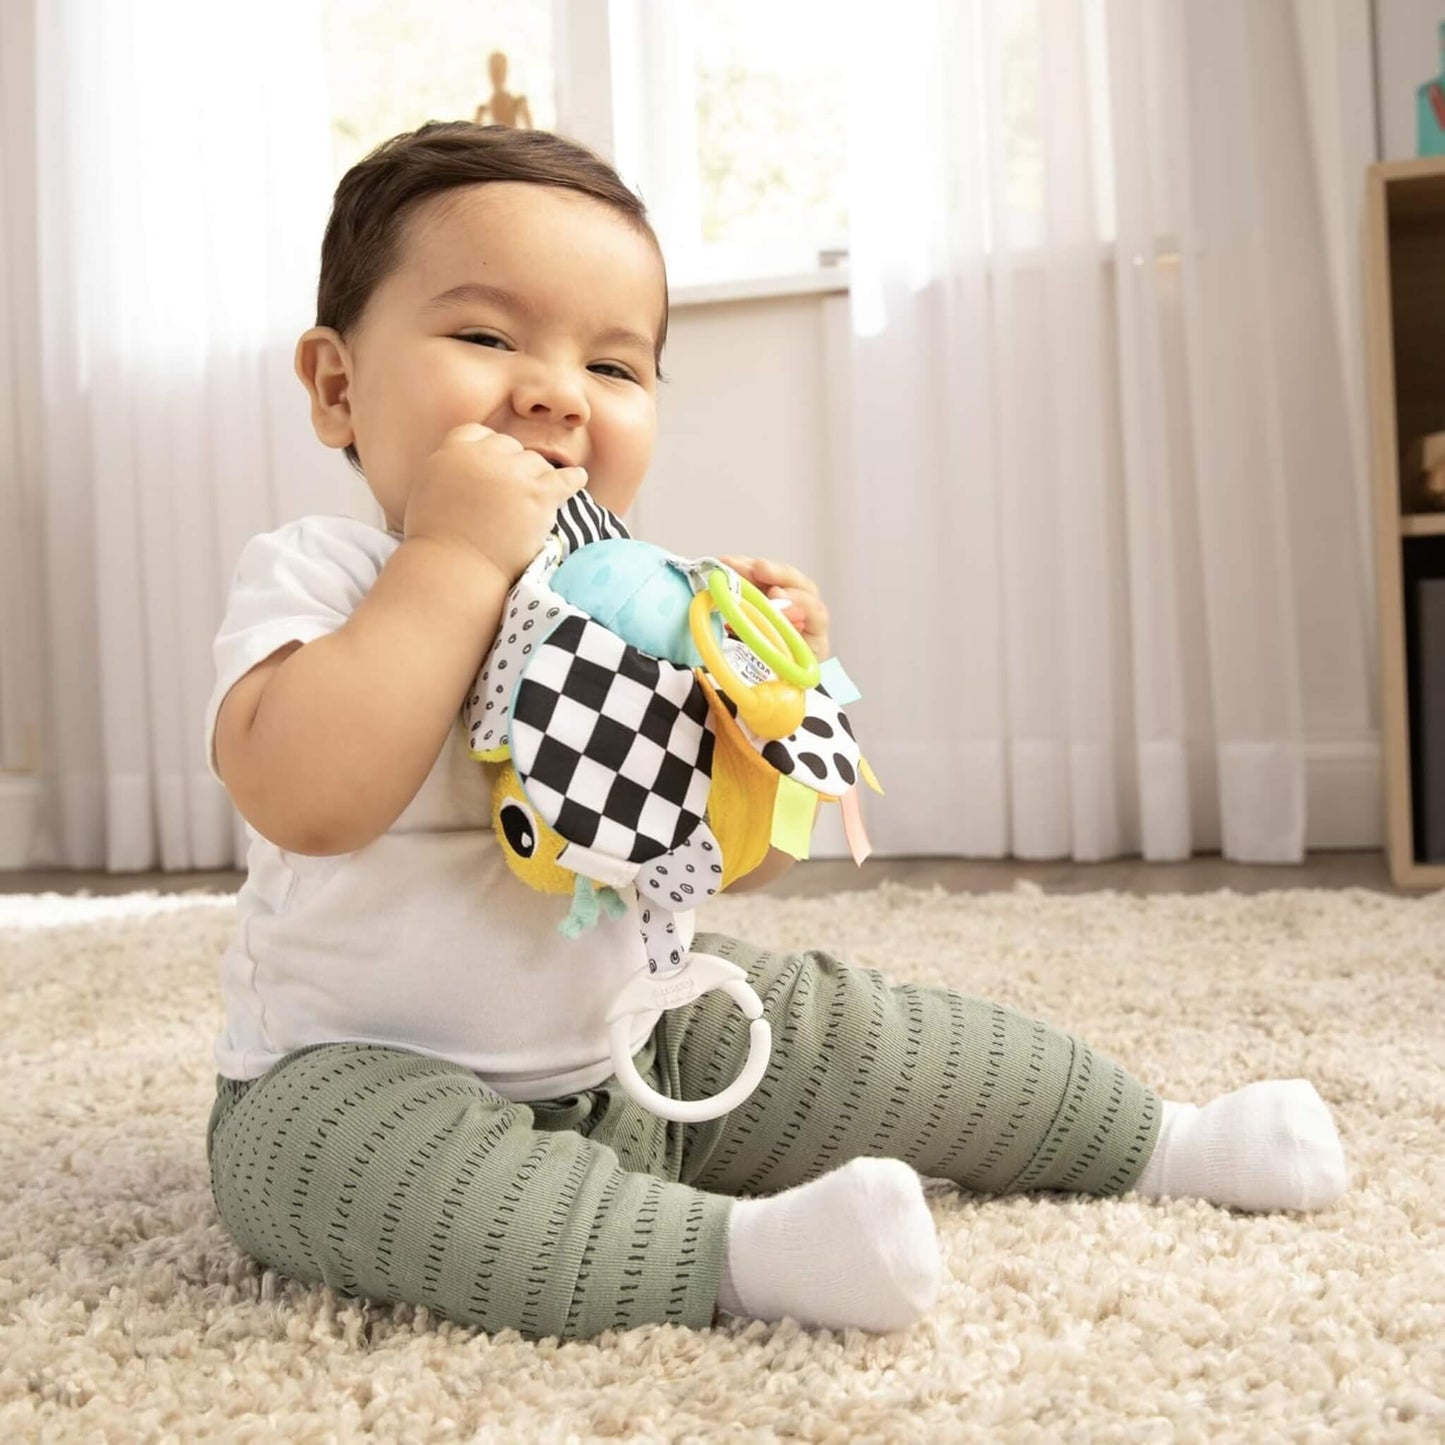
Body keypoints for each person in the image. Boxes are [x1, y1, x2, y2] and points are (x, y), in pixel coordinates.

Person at [204, 121, 1348, 1344]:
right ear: (336, 386)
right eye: (484, 337)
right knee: (354, 1169)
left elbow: (741, 858)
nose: (551, 390)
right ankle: (737, 1258)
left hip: (639, 1047)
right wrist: (448, 554)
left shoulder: (641, 598)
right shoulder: (325, 571)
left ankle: (1154, 1135)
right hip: (358, 1074)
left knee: (850, 1029)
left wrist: (770, 705)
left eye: (613, 366)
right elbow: (307, 795)